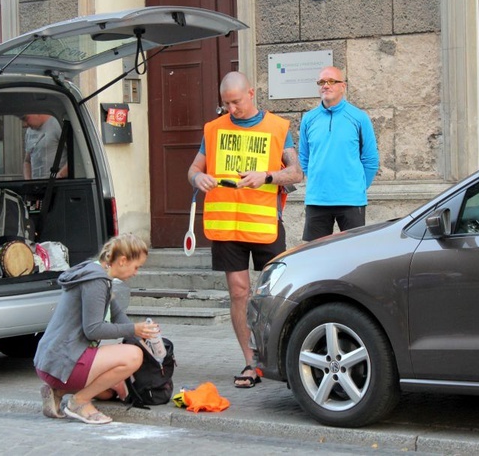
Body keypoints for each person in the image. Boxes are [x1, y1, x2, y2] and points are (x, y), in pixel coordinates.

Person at [187, 71, 302, 388]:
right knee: (239, 293)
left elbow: (295, 173)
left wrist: (266, 177)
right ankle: (250, 362)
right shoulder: (213, 130)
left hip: (264, 223)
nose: (231, 109)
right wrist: (198, 179)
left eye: (236, 102)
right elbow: (194, 169)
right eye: (226, 104)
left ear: (251, 93)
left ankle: (278, 358)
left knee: (275, 294)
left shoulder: (278, 128)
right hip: (226, 226)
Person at [33, 233, 161, 424]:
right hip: (63, 360)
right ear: (123, 261)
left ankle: (57, 392)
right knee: (133, 356)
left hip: (53, 360)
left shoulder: (98, 274)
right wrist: (133, 330)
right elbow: (93, 330)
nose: (136, 273)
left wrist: (145, 338)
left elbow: (118, 316)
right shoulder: (96, 282)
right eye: (137, 267)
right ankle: (79, 402)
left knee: (109, 391)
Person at [298, 66, 379, 241]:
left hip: (351, 200)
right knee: (314, 254)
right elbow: (304, 158)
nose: (325, 86)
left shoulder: (359, 117)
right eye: (321, 82)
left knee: (353, 254)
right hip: (317, 199)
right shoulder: (308, 119)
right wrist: (317, 179)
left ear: (343, 86)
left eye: (331, 81)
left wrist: (357, 186)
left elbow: (370, 159)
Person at [22, 114, 68, 179]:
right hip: (36, 185)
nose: (25, 124)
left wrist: (60, 175)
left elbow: (75, 157)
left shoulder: (57, 125)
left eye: (26, 119)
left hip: (55, 183)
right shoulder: (29, 132)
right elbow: (27, 161)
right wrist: (28, 180)